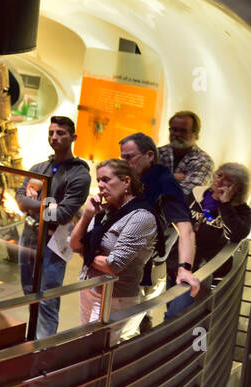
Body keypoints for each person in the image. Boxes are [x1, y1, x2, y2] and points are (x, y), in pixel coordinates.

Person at [14, 116, 92, 338]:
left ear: (73, 137)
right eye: (51, 133)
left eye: (60, 133)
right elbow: (20, 199)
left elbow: (64, 214)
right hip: (29, 236)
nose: (54, 137)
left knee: (48, 299)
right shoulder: (40, 167)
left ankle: (43, 351)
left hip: (54, 242)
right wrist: (48, 206)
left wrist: (34, 205)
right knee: (29, 292)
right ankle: (32, 342)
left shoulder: (79, 174)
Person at [68, 159, 158, 339]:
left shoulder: (141, 217)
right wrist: (87, 215)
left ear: (126, 181)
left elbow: (112, 264)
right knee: (85, 347)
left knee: (103, 352)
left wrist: (86, 253)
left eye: (106, 180)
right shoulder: (104, 210)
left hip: (116, 298)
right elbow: (74, 245)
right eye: (98, 180)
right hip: (90, 289)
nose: (100, 186)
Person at [165, 163, 251, 318]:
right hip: (177, 262)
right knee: (170, 309)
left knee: (176, 315)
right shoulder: (196, 194)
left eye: (227, 180)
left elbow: (237, 234)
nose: (219, 181)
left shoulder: (242, 210)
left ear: (237, 188)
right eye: (219, 175)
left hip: (203, 271)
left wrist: (224, 204)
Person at [118, 133, 200, 294]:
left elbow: (186, 230)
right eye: (123, 158)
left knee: (134, 313)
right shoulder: (132, 179)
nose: (125, 163)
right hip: (123, 262)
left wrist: (185, 268)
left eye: (130, 157)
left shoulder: (164, 183)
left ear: (149, 156)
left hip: (148, 265)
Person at [157, 111, 213, 195]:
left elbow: (186, 194)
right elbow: (137, 182)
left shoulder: (203, 161)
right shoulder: (157, 153)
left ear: (196, 134)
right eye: (173, 129)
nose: (177, 134)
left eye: (183, 131)